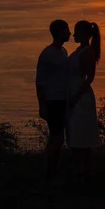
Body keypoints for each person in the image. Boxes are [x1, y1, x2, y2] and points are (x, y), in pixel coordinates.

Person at [35, 19, 71, 183]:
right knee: (57, 137)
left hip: (63, 99)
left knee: (57, 137)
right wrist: (42, 105)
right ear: (59, 33)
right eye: (67, 30)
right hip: (53, 100)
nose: (70, 33)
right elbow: (40, 82)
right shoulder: (47, 54)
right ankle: (50, 171)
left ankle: (51, 169)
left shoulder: (63, 51)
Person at [66, 20, 101, 185]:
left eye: (76, 32)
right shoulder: (79, 50)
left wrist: (76, 95)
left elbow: (90, 78)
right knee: (75, 132)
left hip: (81, 97)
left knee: (82, 133)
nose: (73, 35)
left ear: (84, 34)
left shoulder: (87, 51)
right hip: (74, 93)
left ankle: (83, 173)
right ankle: (80, 171)